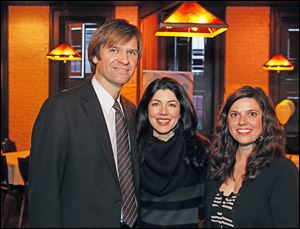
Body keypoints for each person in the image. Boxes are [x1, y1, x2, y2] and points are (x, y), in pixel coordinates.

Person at [28, 19, 143, 228]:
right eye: (114, 50)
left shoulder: (131, 111)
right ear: (95, 56)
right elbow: (44, 191)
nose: (124, 59)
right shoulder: (60, 108)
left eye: (132, 52)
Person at [205, 86, 299, 228]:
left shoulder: (282, 171)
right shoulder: (218, 165)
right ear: (226, 122)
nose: (242, 121)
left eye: (252, 114)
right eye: (234, 114)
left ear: (265, 119)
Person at [136, 77, 210, 228]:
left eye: (171, 105)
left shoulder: (200, 149)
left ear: (181, 110)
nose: (163, 112)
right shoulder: (133, 149)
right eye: (156, 104)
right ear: (146, 109)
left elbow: (205, 209)